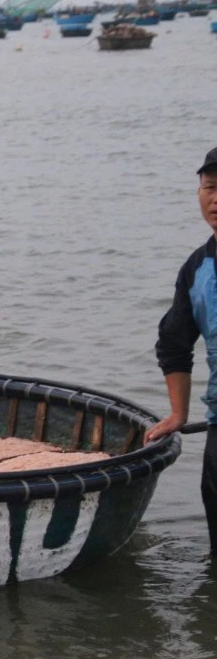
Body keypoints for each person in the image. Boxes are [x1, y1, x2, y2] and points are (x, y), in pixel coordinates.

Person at [145, 147, 217, 555]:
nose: (216, 198)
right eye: (210, 187)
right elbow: (173, 343)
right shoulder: (197, 268)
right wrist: (178, 413)